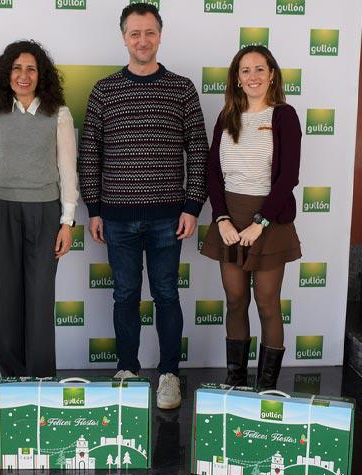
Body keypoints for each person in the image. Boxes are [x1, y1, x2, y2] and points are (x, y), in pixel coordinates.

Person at [78, 3, 208, 409]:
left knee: (167, 294)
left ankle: (169, 374)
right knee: (125, 295)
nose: (142, 40)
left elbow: (199, 151)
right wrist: (94, 209)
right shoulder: (104, 90)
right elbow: (89, 154)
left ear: (160, 35)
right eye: (134, 33)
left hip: (170, 217)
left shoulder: (182, 88)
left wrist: (192, 206)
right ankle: (128, 372)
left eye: (149, 32)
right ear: (123, 37)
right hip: (116, 218)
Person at [0, 40, 78, 378]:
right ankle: (12, 379)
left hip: (45, 214)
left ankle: (41, 378)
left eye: (31, 68)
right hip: (3, 213)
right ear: (7, 73)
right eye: (17, 68)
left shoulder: (57, 114)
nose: (24, 75)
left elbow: (68, 170)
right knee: (6, 300)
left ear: (40, 75)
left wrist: (67, 221)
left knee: (40, 300)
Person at [200, 45, 302, 390]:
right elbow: (212, 173)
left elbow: (288, 177)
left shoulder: (284, 116)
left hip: (269, 221)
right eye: (246, 70)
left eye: (260, 69)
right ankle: (237, 386)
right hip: (230, 218)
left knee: (267, 304)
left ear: (272, 74)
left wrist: (260, 224)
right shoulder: (226, 116)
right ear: (237, 78)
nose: (253, 76)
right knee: (235, 300)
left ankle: (267, 388)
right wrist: (222, 219)